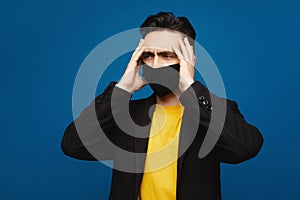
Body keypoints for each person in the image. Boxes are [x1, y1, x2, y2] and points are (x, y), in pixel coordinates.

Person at [61, 12, 264, 200]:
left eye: (167, 55)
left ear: (188, 60)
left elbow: (245, 148)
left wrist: (191, 88)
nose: (156, 64)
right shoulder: (126, 115)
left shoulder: (214, 111)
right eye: (148, 55)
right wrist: (122, 89)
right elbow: (73, 145)